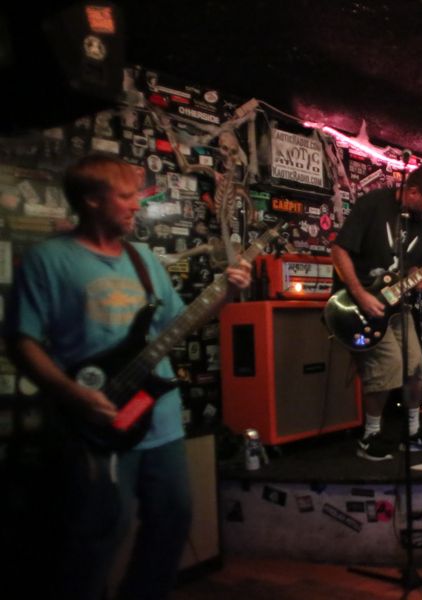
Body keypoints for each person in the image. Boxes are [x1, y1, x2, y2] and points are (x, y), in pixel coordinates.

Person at [6, 154, 252, 600]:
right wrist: (72, 393)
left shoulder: (142, 260)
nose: (137, 205)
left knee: (173, 520)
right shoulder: (49, 259)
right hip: (97, 419)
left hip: (159, 419)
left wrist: (227, 294)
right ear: (92, 200)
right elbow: (22, 341)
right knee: (99, 532)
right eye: (125, 196)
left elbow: (179, 324)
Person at [330, 164, 422, 461]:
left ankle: (412, 432)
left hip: (398, 305)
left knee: (415, 368)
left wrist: (418, 279)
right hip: (362, 304)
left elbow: (411, 266)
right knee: (386, 367)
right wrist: (360, 294)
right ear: (412, 191)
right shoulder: (372, 205)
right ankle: (370, 435)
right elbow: (339, 250)